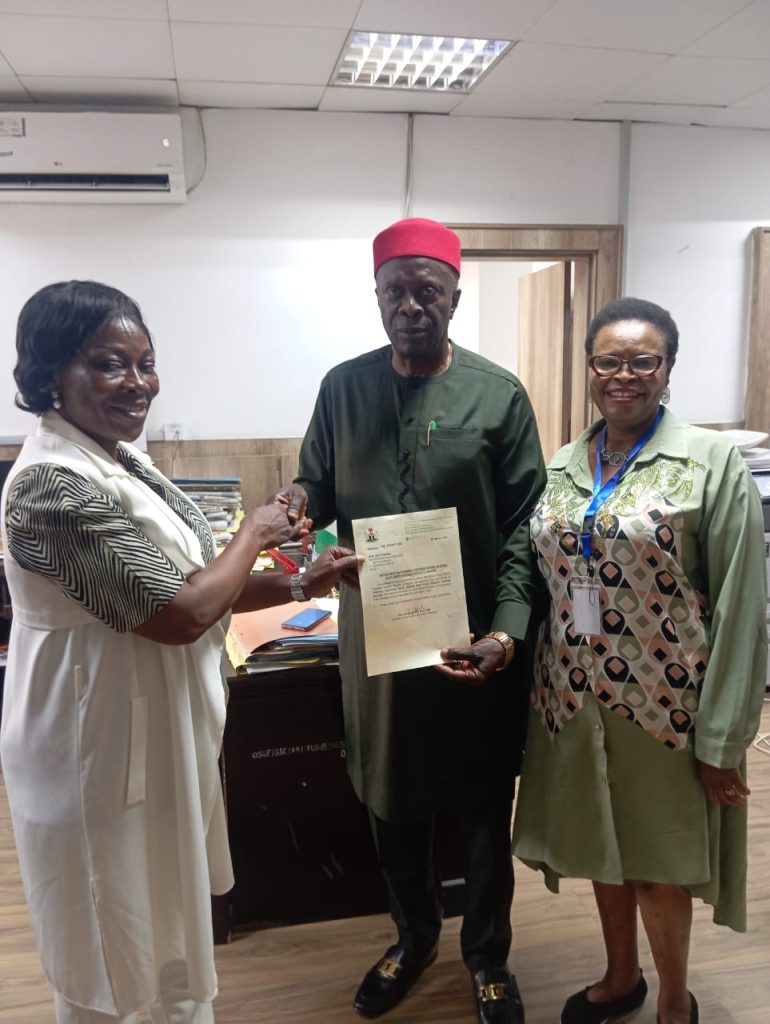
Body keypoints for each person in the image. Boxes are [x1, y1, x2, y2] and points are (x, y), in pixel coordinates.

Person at [0, 280, 361, 1024]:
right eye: (108, 364)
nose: (137, 383)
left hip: (147, 734)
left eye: (145, 363)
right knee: (111, 942)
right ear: (49, 374)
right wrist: (257, 531)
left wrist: (300, 581)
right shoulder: (48, 487)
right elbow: (183, 613)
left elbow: (193, 582)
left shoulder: (121, 459)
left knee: (160, 932)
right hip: (93, 745)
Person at [283, 218, 546, 1024]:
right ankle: (414, 937)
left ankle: (488, 957)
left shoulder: (498, 395)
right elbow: (314, 485)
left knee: (481, 809)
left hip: (472, 642)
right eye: (394, 291)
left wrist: (506, 633)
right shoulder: (343, 388)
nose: (410, 306)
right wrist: (296, 510)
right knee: (390, 798)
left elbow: (524, 531)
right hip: (380, 639)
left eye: (426, 290)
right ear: (376, 296)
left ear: (454, 297)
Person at [512, 297, 767, 1024]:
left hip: (667, 709)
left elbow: (743, 609)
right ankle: (621, 978)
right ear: (589, 368)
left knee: (658, 864)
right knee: (603, 850)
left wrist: (723, 739)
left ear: (668, 367)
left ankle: (674, 1004)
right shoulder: (563, 465)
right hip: (572, 699)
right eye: (608, 361)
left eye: (642, 360)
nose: (623, 375)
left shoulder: (709, 463)